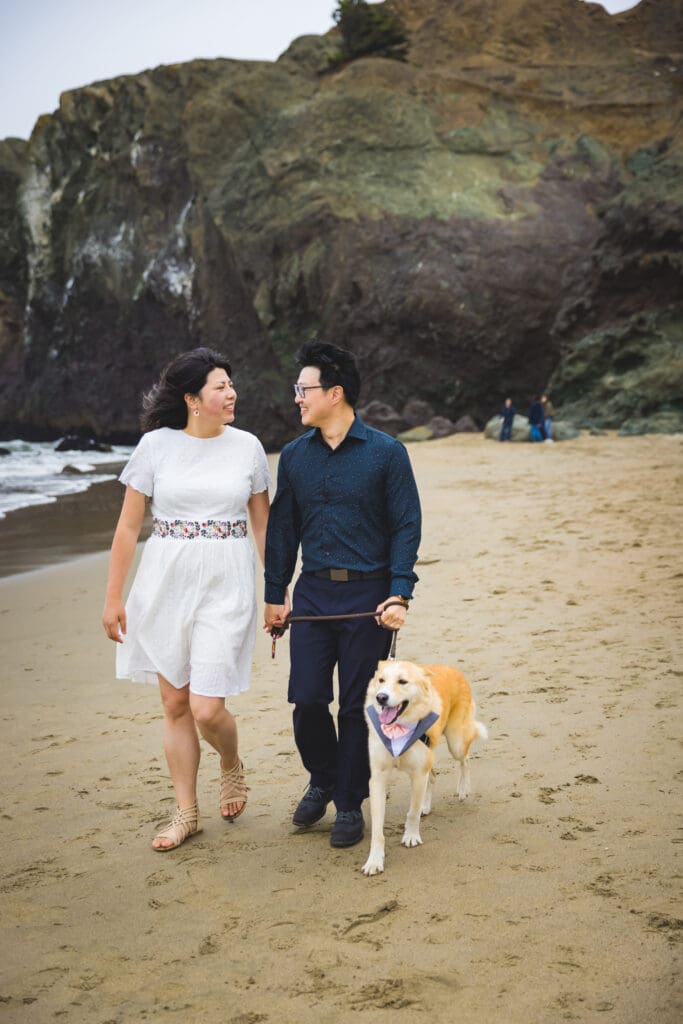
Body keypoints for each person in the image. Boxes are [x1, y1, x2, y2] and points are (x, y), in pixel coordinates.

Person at [102, 348, 271, 852]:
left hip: (227, 583)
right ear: (193, 399)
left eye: (231, 384)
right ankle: (186, 812)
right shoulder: (155, 447)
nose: (231, 393)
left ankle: (230, 761)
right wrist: (113, 597)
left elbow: (263, 524)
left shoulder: (248, 447)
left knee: (205, 708)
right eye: (220, 386)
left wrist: (278, 592)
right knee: (175, 703)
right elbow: (129, 527)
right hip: (165, 584)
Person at [263, 340, 422, 849]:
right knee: (307, 698)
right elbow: (283, 530)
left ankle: (350, 803)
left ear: (335, 393)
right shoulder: (294, 457)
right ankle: (325, 777)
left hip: (368, 600)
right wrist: (275, 593)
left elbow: (406, 526)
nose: (297, 399)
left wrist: (399, 593)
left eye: (303, 389)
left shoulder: (386, 453)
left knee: (356, 705)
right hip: (311, 595)